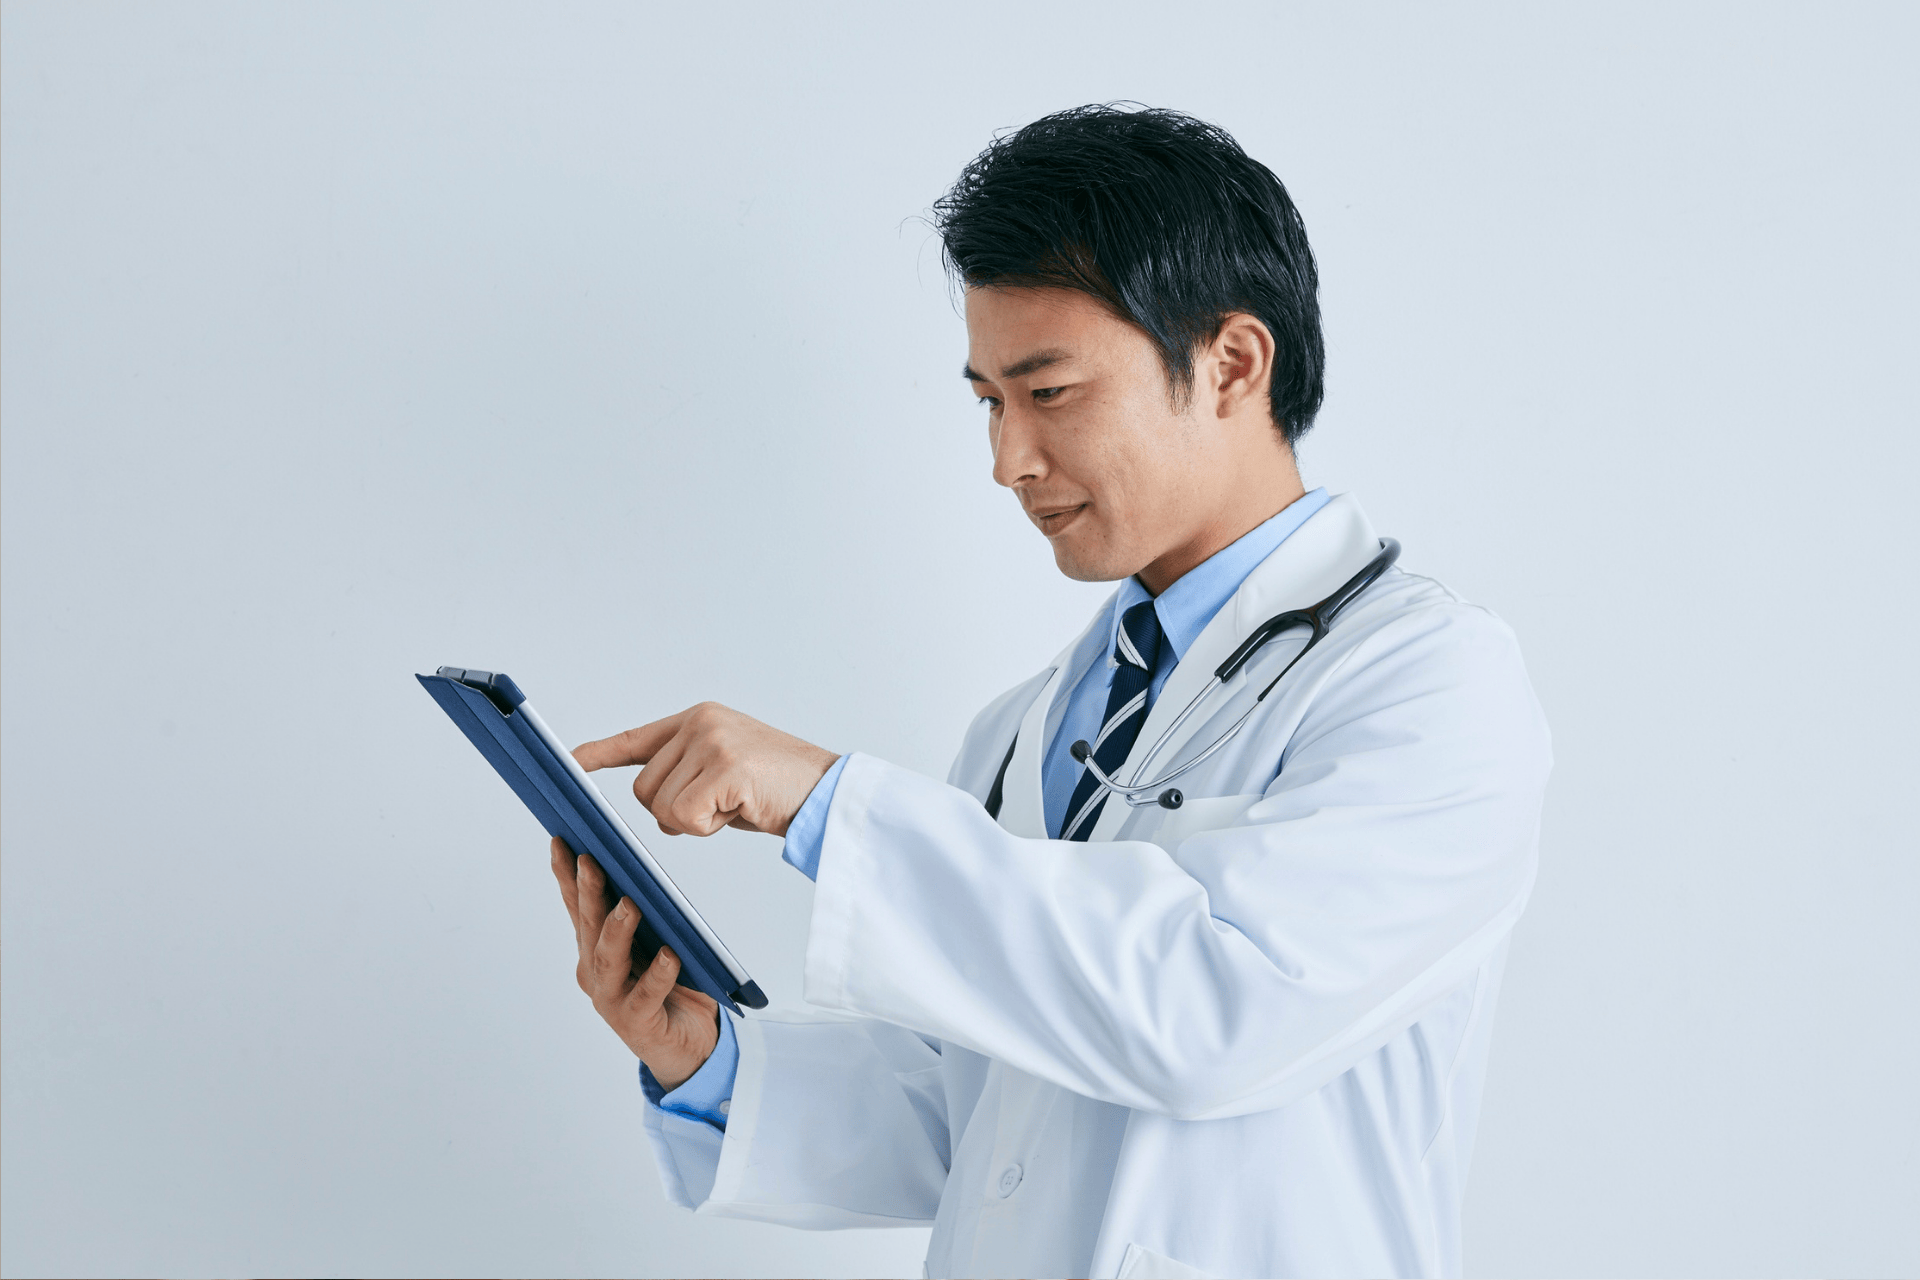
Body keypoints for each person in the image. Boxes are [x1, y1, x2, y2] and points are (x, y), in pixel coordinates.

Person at [546, 105, 1551, 1280]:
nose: (1006, 458)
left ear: (1233, 362)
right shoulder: (1033, 723)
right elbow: (983, 1118)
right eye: (987, 399)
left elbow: (1217, 1015)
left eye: (1051, 391)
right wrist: (705, 1058)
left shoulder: (1429, 684)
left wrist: (827, 804)